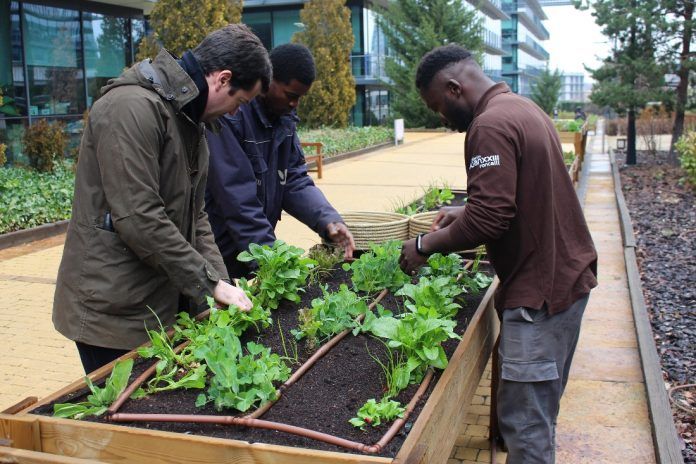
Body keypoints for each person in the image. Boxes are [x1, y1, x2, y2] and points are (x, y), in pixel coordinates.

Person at [398, 45, 598, 464]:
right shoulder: (522, 107)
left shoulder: (487, 126)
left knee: (527, 429)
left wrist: (422, 246)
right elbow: (517, 196)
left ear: (454, 88)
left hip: (540, 295)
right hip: (568, 279)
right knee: (534, 412)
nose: (440, 118)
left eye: (438, 106)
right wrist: (464, 209)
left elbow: (491, 220)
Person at [53, 24, 272, 374]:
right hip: (112, 314)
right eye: (239, 102)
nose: (235, 114)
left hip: (155, 303)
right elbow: (139, 217)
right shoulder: (131, 107)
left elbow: (196, 216)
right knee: (122, 420)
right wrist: (209, 282)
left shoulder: (188, 118)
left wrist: (220, 284)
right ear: (222, 79)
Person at [205, 43, 355, 278]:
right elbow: (237, 198)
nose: (295, 104)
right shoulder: (232, 114)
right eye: (290, 95)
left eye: (300, 98)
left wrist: (326, 219)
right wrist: (274, 265)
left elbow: (294, 178)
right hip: (218, 251)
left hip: (252, 247)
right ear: (268, 80)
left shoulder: (283, 120)